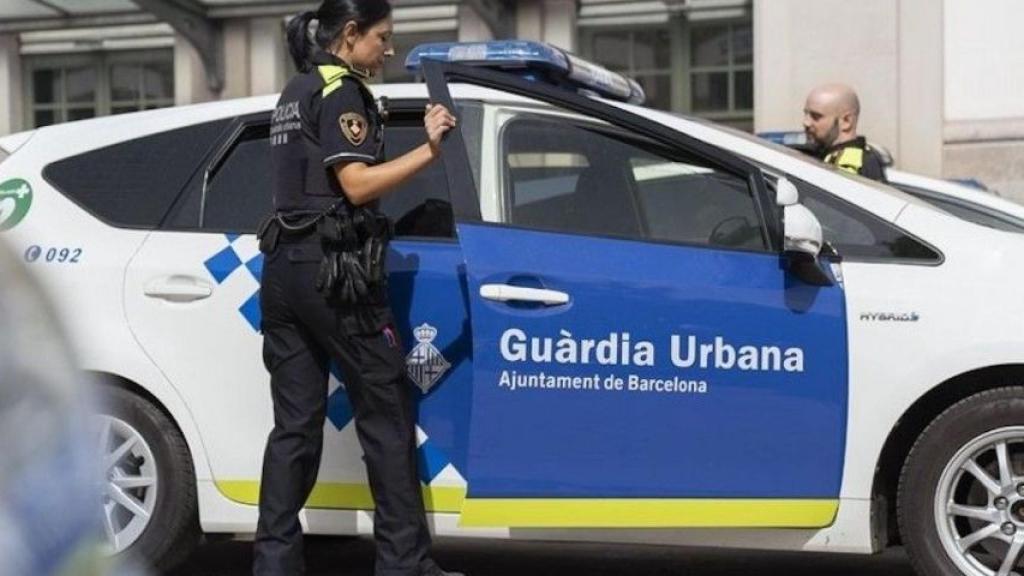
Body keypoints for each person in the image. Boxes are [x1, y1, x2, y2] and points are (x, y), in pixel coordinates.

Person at [252, 1, 460, 575]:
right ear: (350, 33)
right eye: (382, 37)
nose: (388, 50)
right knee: (385, 412)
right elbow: (358, 185)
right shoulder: (341, 91)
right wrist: (430, 149)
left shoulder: (296, 89)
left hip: (283, 271)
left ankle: (274, 565)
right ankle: (404, 564)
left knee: (294, 428)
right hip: (335, 275)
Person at [802, 83, 888, 182]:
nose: (806, 122)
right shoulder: (863, 157)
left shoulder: (848, 165)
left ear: (846, 121)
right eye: (806, 114)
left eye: (816, 116)